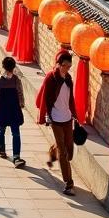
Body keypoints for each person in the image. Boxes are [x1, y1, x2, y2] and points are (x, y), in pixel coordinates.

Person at [37, 50, 77, 194]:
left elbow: (70, 98)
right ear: (58, 64)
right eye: (65, 66)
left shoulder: (68, 79)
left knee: (69, 149)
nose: (67, 69)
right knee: (64, 152)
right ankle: (68, 183)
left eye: (69, 66)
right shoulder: (51, 78)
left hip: (67, 118)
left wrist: (75, 114)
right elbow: (46, 98)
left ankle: (52, 153)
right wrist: (47, 115)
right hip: (55, 118)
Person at [0, 56, 26, 167]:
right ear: (14, 67)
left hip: (2, 109)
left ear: (3, 67)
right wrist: (21, 105)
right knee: (16, 133)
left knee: (1, 130)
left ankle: (2, 151)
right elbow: (20, 94)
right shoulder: (16, 80)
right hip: (14, 109)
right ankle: (16, 156)